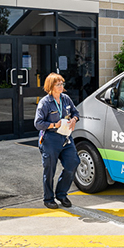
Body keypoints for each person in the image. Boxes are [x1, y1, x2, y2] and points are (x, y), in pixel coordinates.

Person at [34, 73, 80, 209]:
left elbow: (76, 112)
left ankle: (61, 194)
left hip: (66, 137)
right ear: (51, 86)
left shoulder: (66, 99)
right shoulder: (45, 103)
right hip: (50, 139)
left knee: (73, 163)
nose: (61, 86)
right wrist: (54, 125)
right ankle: (48, 198)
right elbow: (38, 123)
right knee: (49, 170)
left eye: (62, 84)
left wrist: (74, 120)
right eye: (58, 84)